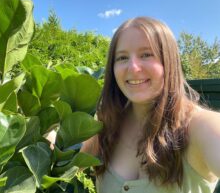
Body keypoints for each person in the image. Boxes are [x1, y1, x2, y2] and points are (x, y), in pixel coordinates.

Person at [81, 17, 220, 193]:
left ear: (168, 61)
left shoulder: (201, 126)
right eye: (122, 57)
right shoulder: (106, 124)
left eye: (146, 54)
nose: (133, 67)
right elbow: (63, 162)